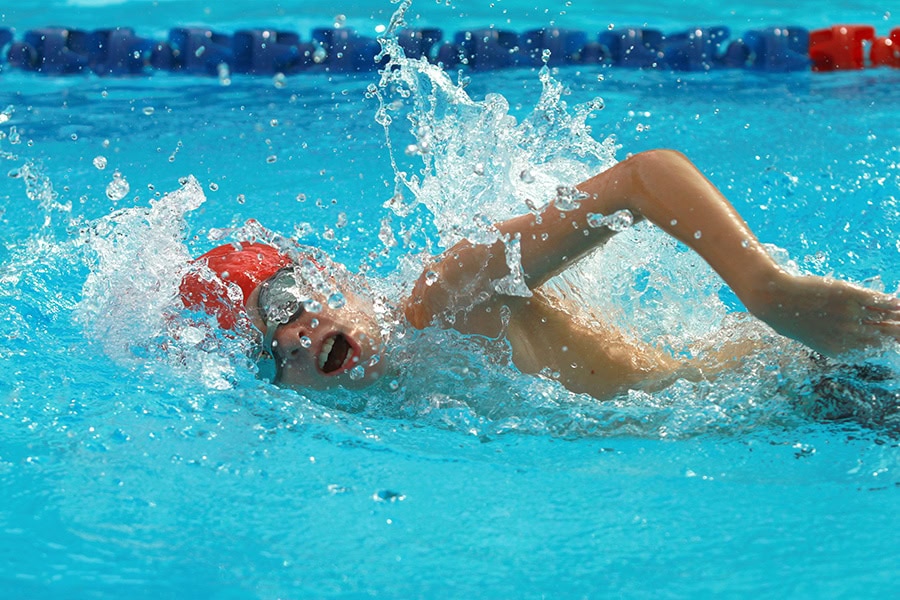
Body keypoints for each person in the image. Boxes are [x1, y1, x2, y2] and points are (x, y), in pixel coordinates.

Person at [179, 149, 900, 401]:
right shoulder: (401, 400)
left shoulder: (446, 298)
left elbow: (641, 180)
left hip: (816, 384)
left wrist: (769, 291)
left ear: (328, 277)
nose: (297, 341)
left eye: (284, 305)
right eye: (267, 353)